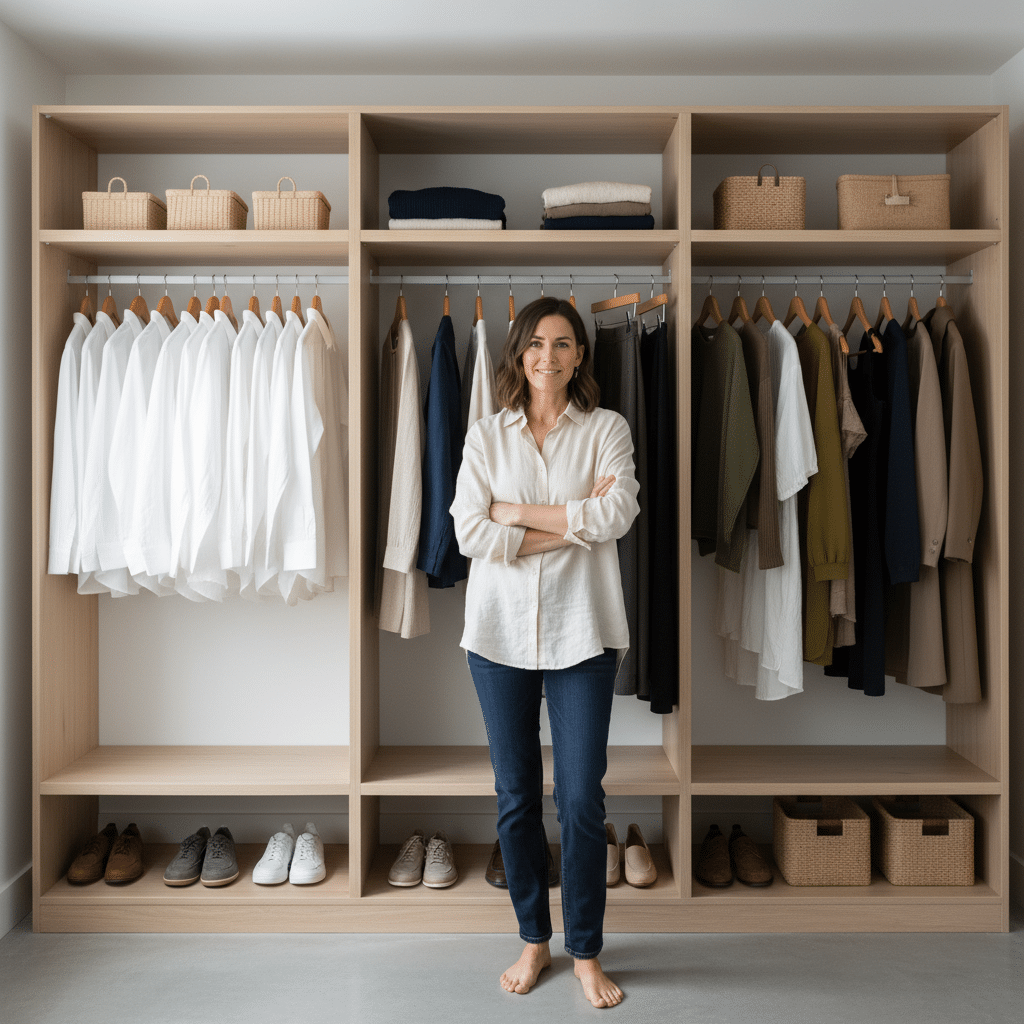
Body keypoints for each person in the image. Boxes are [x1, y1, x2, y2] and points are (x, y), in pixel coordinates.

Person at [450, 296, 639, 1008]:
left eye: (562, 344)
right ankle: (534, 938)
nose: (547, 357)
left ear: (580, 355)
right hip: (496, 637)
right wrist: (574, 524)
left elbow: (618, 511)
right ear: (517, 354)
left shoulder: (607, 430)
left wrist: (517, 514)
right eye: (535, 344)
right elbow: (470, 532)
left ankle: (585, 949)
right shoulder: (485, 436)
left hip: (584, 633)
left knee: (582, 798)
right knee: (516, 797)